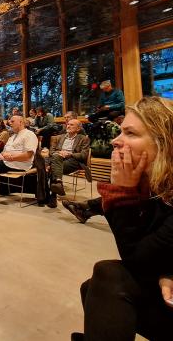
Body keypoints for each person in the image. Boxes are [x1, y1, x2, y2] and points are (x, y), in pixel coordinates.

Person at [74, 96, 173, 341]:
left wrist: (122, 193)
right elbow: (146, 252)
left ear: (164, 142)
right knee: (92, 288)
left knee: (108, 277)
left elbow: (135, 258)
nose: (115, 141)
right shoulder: (154, 187)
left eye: (130, 133)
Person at [46, 119, 90, 207]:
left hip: (73, 161)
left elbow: (84, 155)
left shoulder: (83, 139)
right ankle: (58, 183)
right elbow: (51, 152)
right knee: (55, 159)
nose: (68, 126)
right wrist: (59, 153)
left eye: (72, 125)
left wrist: (70, 154)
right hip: (58, 160)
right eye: (68, 124)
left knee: (51, 167)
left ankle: (52, 196)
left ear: (78, 128)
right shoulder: (58, 137)